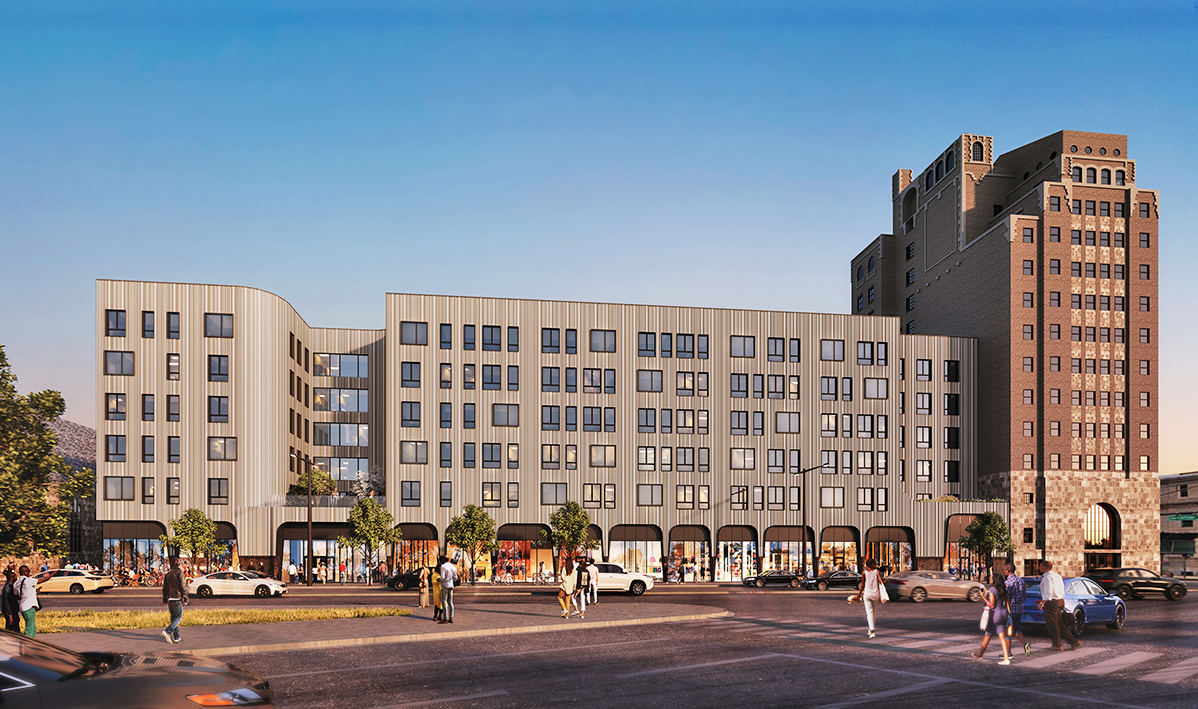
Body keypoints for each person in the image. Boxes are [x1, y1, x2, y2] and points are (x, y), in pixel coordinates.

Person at [1037, 560, 1080, 651]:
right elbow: (1061, 589)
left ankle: (1057, 644)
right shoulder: (1057, 576)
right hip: (1060, 600)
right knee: (1060, 624)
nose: (1039, 568)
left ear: (1045, 567)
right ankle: (1073, 642)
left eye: (1040, 566)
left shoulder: (1047, 577)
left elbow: (1048, 592)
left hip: (1051, 603)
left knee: (1052, 625)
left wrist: (1042, 603)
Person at [973, 571, 1013, 665]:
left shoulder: (992, 590)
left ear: (994, 580)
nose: (990, 579)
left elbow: (992, 605)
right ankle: (1006, 658)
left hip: (995, 614)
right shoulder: (1004, 590)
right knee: (1002, 636)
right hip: (1003, 614)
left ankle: (980, 654)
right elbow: (1008, 604)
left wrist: (983, 597)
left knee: (987, 635)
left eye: (991, 578)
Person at [1004, 562, 1032, 656]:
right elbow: (1024, 595)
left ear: (1008, 571)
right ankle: (1025, 644)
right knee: (1016, 629)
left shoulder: (1008, 582)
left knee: (1008, 631)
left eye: (1004, 570)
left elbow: (1007, 596)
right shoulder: (1021, 580)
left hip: (1011, 609)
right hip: (1019, 608)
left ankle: (1008, 653)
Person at [853, 558, 885, 638]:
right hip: (875, 594)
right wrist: (886, 581)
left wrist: (858, 595)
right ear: (873, 564)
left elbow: (862, 585)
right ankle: (871, 630)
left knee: (869, 613)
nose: (876, 564)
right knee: (873, 613)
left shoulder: (864, 573)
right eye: (875, 563)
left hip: (867, 594)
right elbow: (881, 582)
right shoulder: (877, 572)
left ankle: (872, 630)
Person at [161, 557, 188, 644]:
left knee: (174, 618)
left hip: (170, 599)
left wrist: (165, 599)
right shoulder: (180, 573)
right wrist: (185, 598)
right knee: (179, 616)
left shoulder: (167, 574)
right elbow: (182, 587)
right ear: (178, 564)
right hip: (177, 598)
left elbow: (164, 588)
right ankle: (168, 631)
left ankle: (177, 637)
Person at [15, 566, 38, 638]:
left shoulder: (16, 583)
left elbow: (18, 596)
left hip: (23, 606)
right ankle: (26, 644)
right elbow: (43, 580)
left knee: (33, 628)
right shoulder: (29, 580)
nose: (29, 572)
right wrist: (53, 574)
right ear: (23, 572)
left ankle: (31, 643)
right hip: (29, 607)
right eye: (27, 571)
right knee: (29, 629)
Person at [438, 555, 457, 624]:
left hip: (445, 585)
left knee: (444, 601)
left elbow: (442, 577)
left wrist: (439, 579)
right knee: (451, 602)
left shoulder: (443, 566)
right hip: (451, 585)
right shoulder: (453, 567)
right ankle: (451, 618)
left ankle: (445, 618)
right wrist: (451, 580)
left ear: (444, 560)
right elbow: (456, 578)